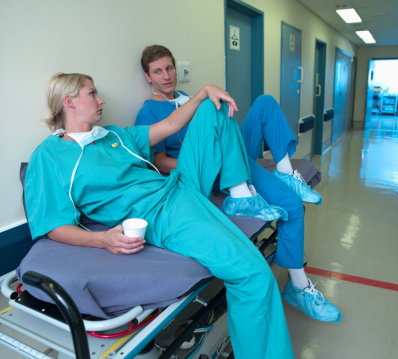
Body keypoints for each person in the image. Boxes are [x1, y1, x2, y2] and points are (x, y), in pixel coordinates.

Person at [24, 72, 294, 358]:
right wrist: (103, 240)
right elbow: (55, 226)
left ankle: (241, 197)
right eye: (92, 93)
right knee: (252, 274)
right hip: (161, 211)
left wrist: (203, 92)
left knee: (213, 108)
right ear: (70, 101)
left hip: (179, 183)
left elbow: (170, 124)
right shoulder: (50, 155)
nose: (101, 100)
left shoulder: (113, 135)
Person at [135, 45, 342, 323]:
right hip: (204, 172)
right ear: (148, 77)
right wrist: (213, 162)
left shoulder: (188, 98)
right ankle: (299, 286)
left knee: (265, 103)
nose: (166, 76)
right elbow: (159, 162)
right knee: (291, 205)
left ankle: (285, 171)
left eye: (169, 68)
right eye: (157, 71)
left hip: (227, 156)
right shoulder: (149, 112)